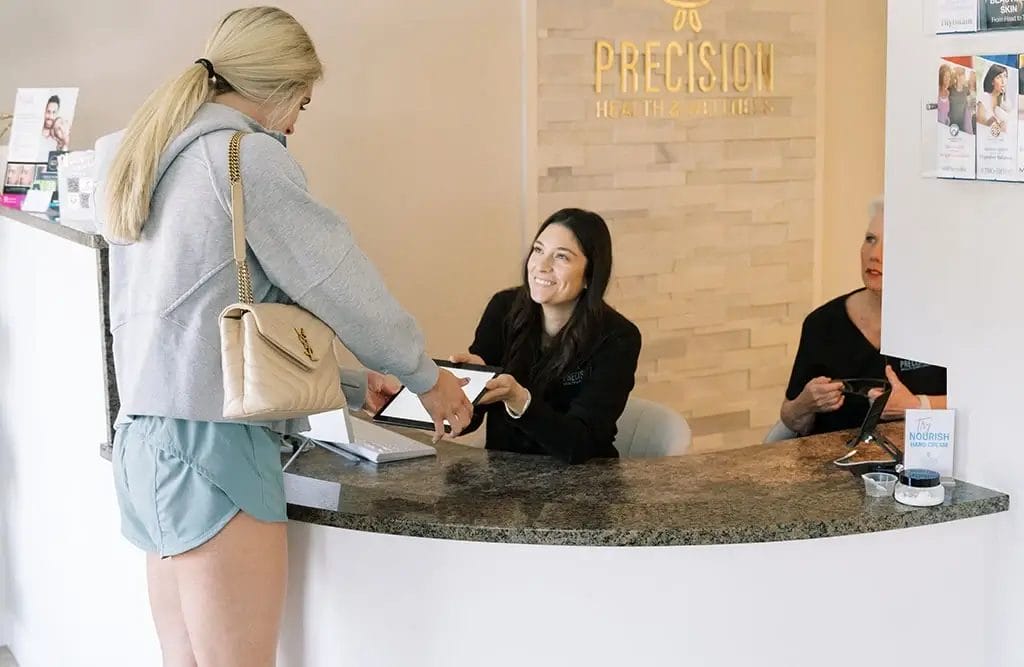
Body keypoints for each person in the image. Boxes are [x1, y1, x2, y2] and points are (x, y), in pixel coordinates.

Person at [97, 7, 473, 666]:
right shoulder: (244, 158)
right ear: (275, 86)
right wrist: (427, 376)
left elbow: (201, 314)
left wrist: (353, 381)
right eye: (301, 101)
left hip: (145, 438)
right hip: (214, 446)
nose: (298, 121)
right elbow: (339, 281)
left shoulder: (148, 152)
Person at [450, 208, 641, 464]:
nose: (541, 266)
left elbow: (579, 444)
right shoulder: (503, 308)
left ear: (590, 276)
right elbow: (468, 422)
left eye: (561, 257)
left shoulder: (618, 338)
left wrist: (519, 400)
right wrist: (470, 385)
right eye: (538, 250)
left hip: (585, 488)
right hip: (504, 485)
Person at [779, 199, 946, 437]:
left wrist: (918, 406)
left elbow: (986, 406)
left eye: (890, 244)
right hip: (834, 467)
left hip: (917, 467)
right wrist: (805, 405)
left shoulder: (944, 323)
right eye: (870, 239)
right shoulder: (822, 323)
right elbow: (792, 420)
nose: (874, 255)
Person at [977, 64, 1008, 135]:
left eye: (1005, 76)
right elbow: (980, 125)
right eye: (999, 77)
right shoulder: (984, 97)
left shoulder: (1002, 100)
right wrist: (991, 120)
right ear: (992, 82)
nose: (1003, 81)